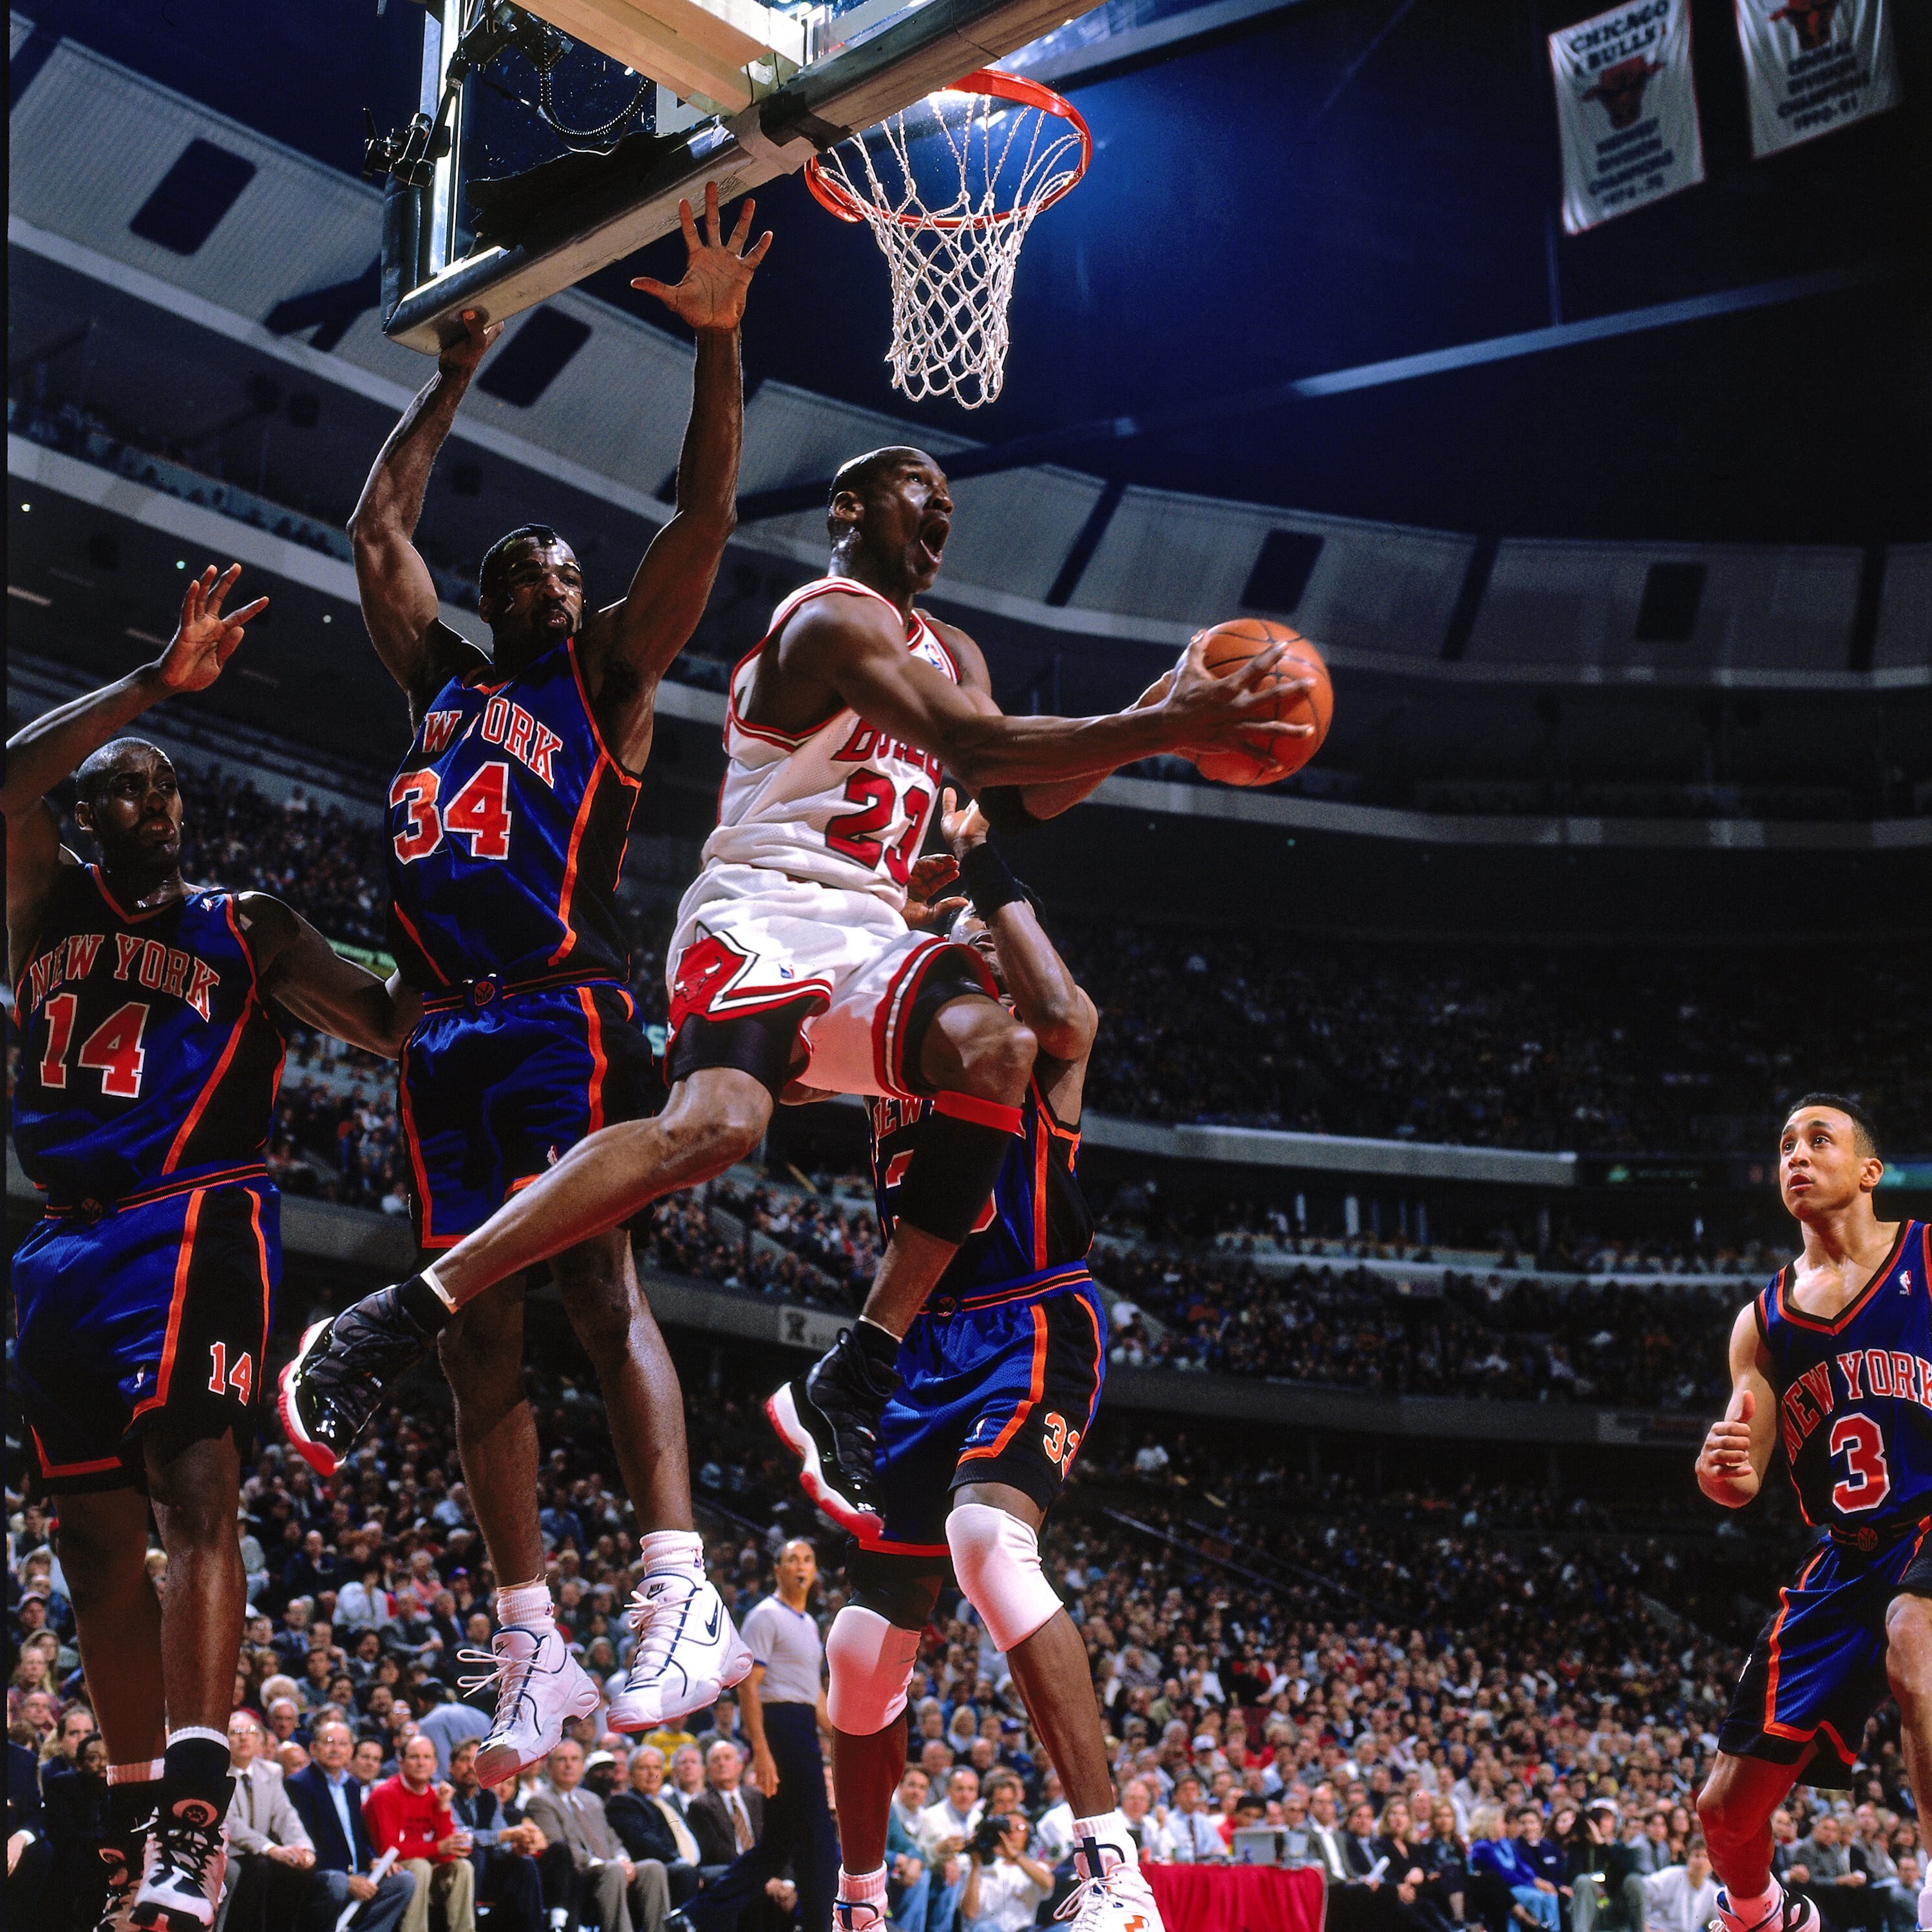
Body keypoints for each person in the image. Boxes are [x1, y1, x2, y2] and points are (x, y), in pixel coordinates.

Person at [280, 446, 1306, 1537]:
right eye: (920, 486)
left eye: (949, 497)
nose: (943, 504)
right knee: (714, 1129)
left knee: (1003, 1052)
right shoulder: (828, 618)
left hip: (868, 927)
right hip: (759, 911)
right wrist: (1172, 727)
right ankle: (402, 1311)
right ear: (850, 507)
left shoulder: (952, 649)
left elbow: (1009, 790)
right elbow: (972, 740)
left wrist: (1161, 710)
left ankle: (857, 1373)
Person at [279, 180, 775, 1777]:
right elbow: (375, 532)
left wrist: (717, 346)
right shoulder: (441, 675)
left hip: (561, 1001)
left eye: (572, 567)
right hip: (439, 1031)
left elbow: (701, 520)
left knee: (591, 1281)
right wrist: (449, 372)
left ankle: (675, 1582)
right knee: (467, 1333)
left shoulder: (611, 677)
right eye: (535, 569)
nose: (558, 581)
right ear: (501, 594)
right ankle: (530, 1640)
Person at [4, 568, 419, 1930]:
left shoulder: (249, 928)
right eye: (110, 788)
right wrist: (145, 687)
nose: (129, 801)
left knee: (196, 1497)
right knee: (91, 1543)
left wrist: (468, 928)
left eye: (152, 785)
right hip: (59, 1249)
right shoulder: (44, 908)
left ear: (183, 815)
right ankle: (133, 1821)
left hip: (194, 1212)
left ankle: (197, 1808)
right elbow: (8, 781)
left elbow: (390, 1022)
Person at [800, 791, 1163, 1932]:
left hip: (1031, 1317)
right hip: (918, 1353)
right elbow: (768, 1048)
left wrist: (981, 866)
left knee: (984, 1539)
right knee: (860, 1654)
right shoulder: (888, 1068)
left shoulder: (1038, 1049)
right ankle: (860, 1902)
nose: (956, 964)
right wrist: (872, 916)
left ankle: (1113, 1871)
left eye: (974, 955)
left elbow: (1074, 1010)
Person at [1694, 1098, 1932, 1932]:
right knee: (1724, 1813)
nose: (1796, 1154)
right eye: (1786, 1144)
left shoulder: (1929, 1259)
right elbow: (1741, 1478)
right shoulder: (1760, 1323)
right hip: (1845, 1557)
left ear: (1870, 1172)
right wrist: (1716, 1469)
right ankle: (1766, 1916)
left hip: (1931, 1524)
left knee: (1914, 1639)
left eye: (1818, 1140)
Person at [669, 1539, 838, 1932]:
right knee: (818, 1839)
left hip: (801, 1724)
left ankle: (696, 1916)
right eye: (792, 1559)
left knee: (777, 1846)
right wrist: (761, 1751)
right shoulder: (765, 1615)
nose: (801, 1565)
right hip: (779, 1727)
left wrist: (843, 1737)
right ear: (776, 1569)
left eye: (808, 1559)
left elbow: (813, 1692)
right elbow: (748, 1687)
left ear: (815, 1572)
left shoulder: (810, 1624)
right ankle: (820, 1925)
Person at [522, 1737, 670, 1932]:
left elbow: (611, 1838)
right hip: (579, 1872)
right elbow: (558, 1847)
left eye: (575, 1759)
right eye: (562, 1760)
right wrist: (608, 1864)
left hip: (611, 1866)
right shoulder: (540, 1801)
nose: (569, 1765)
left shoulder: (591, 1800)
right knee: (613, 1871)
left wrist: (623, 1858)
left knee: (653, 1868)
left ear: (582, 1766)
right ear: (548, 1767)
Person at [285, 1719, 417, 1932]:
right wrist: (349, 1879)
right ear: (313, 1748)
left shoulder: (352, 1786)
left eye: (343, 1744)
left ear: (350, 1751)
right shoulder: (299, 1784)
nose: (336, 1749)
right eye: (329, 1742)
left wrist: (374, 1860)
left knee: (403, 1881)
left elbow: (357, 1838)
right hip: (323, 1876)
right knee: (337, 1882)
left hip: (356, 1872)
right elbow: (306, 1844)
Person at [363, 1734, 477, 1932]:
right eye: (414, 1757)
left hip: (425, 1875)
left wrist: (443, 1808)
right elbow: (388, 1850)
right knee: (420, 1866)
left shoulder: (436, 1796)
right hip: (385, 1873)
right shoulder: (386, 1794)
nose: (421, 1763)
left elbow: (448, 1854)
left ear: (435, 1764)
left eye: (427, 1757)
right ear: (402, 1763)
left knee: (463, 1867)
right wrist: (437, 1848)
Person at [223, 1712, 323, 1931]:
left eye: (250, 1732)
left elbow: (286, 1815)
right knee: (260, 1867)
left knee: (300, 1868)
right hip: (229, 1850)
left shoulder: (270, 1771)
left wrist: (304, 1849)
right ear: (224, 1739)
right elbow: (230, 1823)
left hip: (261, 1852)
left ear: (260, 1740)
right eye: (235, 1733)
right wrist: (271, 1848)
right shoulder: (216, 1775)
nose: (244, 1738)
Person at [446, 1736, 553, 1932]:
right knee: (475, 1854)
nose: (471, 1766)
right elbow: (461, 1838)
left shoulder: (490, 1798)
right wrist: (506, 1836)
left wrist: (518, 1847)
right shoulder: (445, 1795)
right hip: (455, 1864)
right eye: (464, 1760)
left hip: (489, 1869)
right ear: (451, 1767)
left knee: (525, 1863)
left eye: (476, 1760)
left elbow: (502, 1840)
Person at [607, 1744, 703, 1904]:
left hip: (686, 1863)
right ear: (631, 1775)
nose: (652, 1774)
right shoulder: (624, 1802)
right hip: (656, 1867)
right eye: (644, 1768)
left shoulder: (666, 1804)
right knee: (686, 1873)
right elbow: (645, 1841)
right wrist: (679, 1860)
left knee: (731, 1873)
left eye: (657, 1768)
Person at [960, 1810, 1052, 1932]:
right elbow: (970, 1913)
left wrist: (1015, 1855)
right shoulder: (983, 1868)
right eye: (1007, 1828)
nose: (1012, 1832)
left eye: (1019, 1828)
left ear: (1028, 1835)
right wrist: (976, 1866)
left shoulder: (1036, 1867)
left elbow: (1048, 1883)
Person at [1640, 1841, 1719, 1932]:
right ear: (1688, 1858)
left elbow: (1717, 1923)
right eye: (1697, 1856)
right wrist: (1644, 1926)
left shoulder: (1713, 1892)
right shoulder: (1671, 1875)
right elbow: (1642, 1891)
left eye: (1706, 1857)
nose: (1701, 1861)